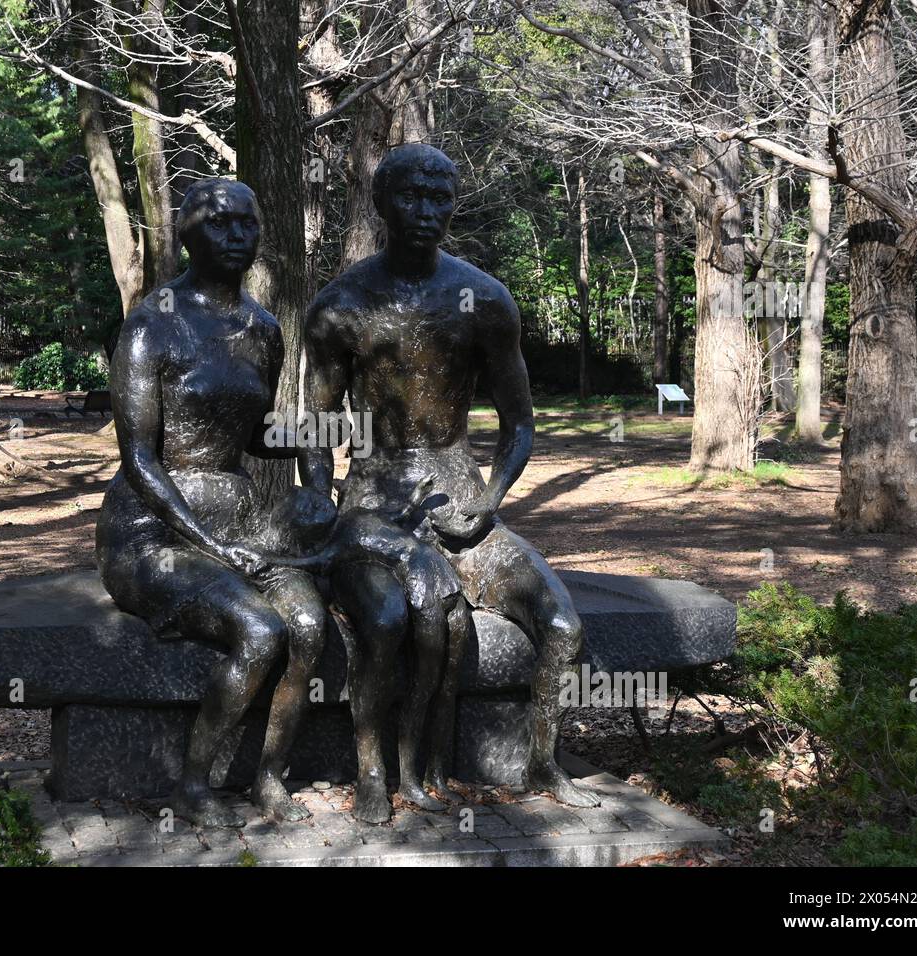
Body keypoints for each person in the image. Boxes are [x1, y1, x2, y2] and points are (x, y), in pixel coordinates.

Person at [301, 144, 600, 824]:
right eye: (412, 196)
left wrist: (489, 501)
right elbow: (314, 429)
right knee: (383, 620)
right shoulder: (341, 306)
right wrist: (321, 505)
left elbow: (520, 424)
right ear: (381, 204)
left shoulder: (485, 301)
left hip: (464, 501)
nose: (428, 212)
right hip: (375, 506)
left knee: (562, 624)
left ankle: (542, 765)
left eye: (441, 198)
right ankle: (374, 772)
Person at [96, 178, 324, 827]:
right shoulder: (150, 329)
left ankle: (270, 776)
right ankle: (194, 785)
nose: (236, 236)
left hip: (240, 518)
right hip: (153, 528)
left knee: (308, 629)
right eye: (220, 223)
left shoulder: (261, 329)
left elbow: (253, 432)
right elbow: (139, 457)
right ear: (190, 233)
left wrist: (319, 446)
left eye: (247, 223)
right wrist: (208, 541)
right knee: (260, 630)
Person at [256, 478, 468, 811]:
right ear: (306, 530)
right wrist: (274, 561)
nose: (317, 501)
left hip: (434, 574)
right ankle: (403, 779)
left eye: (313, 497)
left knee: (440, 680)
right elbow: (316, 563)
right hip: (418, 583)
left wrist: (415, 496)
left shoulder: (354, 515)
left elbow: (397, 515)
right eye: (307, 509)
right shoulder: (336, 544)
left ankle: (432, 775)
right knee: (422, 682)